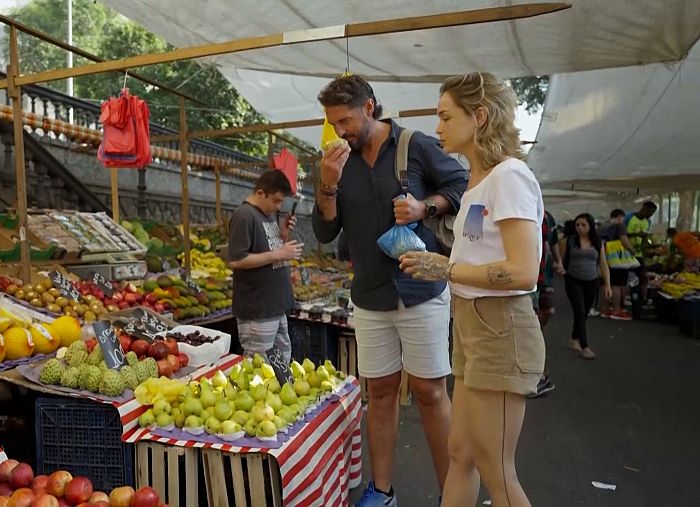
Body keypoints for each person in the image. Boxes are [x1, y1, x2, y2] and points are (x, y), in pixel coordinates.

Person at [312, 74, 468, 506]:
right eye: (332, 123)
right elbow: (324, 230)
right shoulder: (333, 161)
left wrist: (425, 206)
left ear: (369, 107)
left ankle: (452, 495)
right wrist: (327, 181)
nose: (339, 131)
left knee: (431, 392)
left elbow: (462, 185)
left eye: (345, 120)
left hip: (421, 289)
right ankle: (382, 492)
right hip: (370, 295)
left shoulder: (414, 144)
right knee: (379, 392)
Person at [400, 72, 544, 507]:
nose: (437, 128)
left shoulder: (509, 176)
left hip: (499, 328)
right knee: (460, 452)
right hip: (472, 325)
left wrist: (448, 269)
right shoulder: (480, 183)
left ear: (479, 116)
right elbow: (482, 253)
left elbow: (524, 271)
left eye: (445, 117)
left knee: (497, 469)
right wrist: (449, 267)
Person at [227, 170, 300, 362]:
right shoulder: (244, 215)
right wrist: (278, 254)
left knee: (280, 364)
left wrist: (283, 233)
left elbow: (269, 248)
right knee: (260, 367)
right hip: (257, 310)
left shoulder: (266, 215)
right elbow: (236, 260)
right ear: (260, 193)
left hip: (275, 306)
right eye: (276, 201)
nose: (278, 206)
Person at [563, 214, 612, 360]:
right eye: (577, 225)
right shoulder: (570, 241)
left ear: (590, 226)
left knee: (584, 313)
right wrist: (560, 267)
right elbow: (562, 257)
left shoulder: (597, 242)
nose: (580, 228)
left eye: (583, 225)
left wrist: (607, 284)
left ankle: (574, 338)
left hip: (591, 280)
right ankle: (585, 347)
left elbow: (603, 264)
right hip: (573, 279)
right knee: (579, 311)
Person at [528, 210, 561, 398]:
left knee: (529, 329)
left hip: (530, 281)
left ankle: (537, 377)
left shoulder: (543, 215)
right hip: (533, 279)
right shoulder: (541, 213)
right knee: (530, 329)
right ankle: (537, 376)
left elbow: (547, 245)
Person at [599, 209, 635, 320]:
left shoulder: (603, 227)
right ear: (620, 217)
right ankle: (616, 309)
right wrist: (631, 250)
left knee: (606, 283)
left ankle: (604, 309)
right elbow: (624, 240)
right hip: (617, 259)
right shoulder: (620, 226)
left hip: (604, 257)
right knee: (617, 284)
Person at [626, 201, 657, 318]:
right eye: (650, 211)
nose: (651, 215)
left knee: (643, 278)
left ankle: (640, 299)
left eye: (653, 213)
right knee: (628, 278)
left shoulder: (647, 222)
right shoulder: (629, 217)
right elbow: (622, 233)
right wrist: (636, 235)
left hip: (638, 254)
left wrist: (646, 245)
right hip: (625, 254)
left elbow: (644, 238)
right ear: (644, 208)